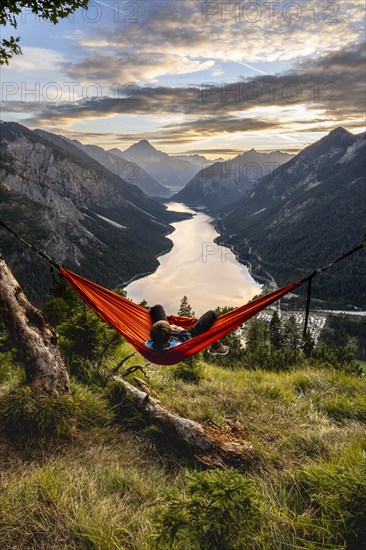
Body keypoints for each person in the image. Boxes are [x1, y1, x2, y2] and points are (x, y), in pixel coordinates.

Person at [145, 304, 229, 355]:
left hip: (161, 332)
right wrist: (181, 330)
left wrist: (166, 327)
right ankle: (216, 346)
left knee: (157, 308)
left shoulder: (149, 344)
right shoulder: (175, 346)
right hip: (185, 336)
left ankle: (216, 346)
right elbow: (191, 343)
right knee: (212, 314)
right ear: (169, 334)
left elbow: (149, 339)